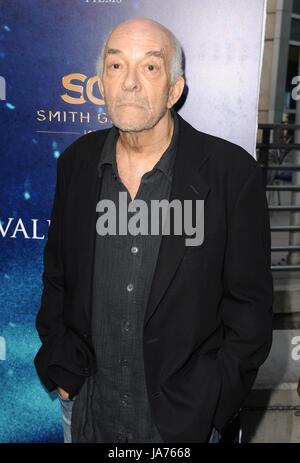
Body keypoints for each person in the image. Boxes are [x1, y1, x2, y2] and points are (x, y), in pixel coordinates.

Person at [34, 17, 273, 443]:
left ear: (174, 89)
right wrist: (61, 366)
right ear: (101, 84)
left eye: (149, 66)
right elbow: (57, 276)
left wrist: (214, 398)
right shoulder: (76, 164)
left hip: (184, 424)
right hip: (89, 414)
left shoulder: (230, 174)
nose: (129, 82)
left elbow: (250, 308)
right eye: (116, 66)